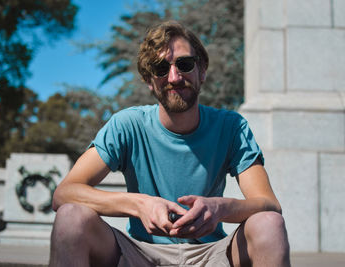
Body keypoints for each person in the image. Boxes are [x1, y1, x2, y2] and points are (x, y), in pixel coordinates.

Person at [49, 20, 290, 267]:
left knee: (269, 224)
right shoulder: (127, 125)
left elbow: (269, 204)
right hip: (140, 253)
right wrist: (139, 204)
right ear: (149, 80)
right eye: (161, 68)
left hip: (212, 254)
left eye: (184, 64)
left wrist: (220, 208)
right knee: (70, 218)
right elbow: (64, 193)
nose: (174, 77)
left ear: (202, 70)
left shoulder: (231, 127)